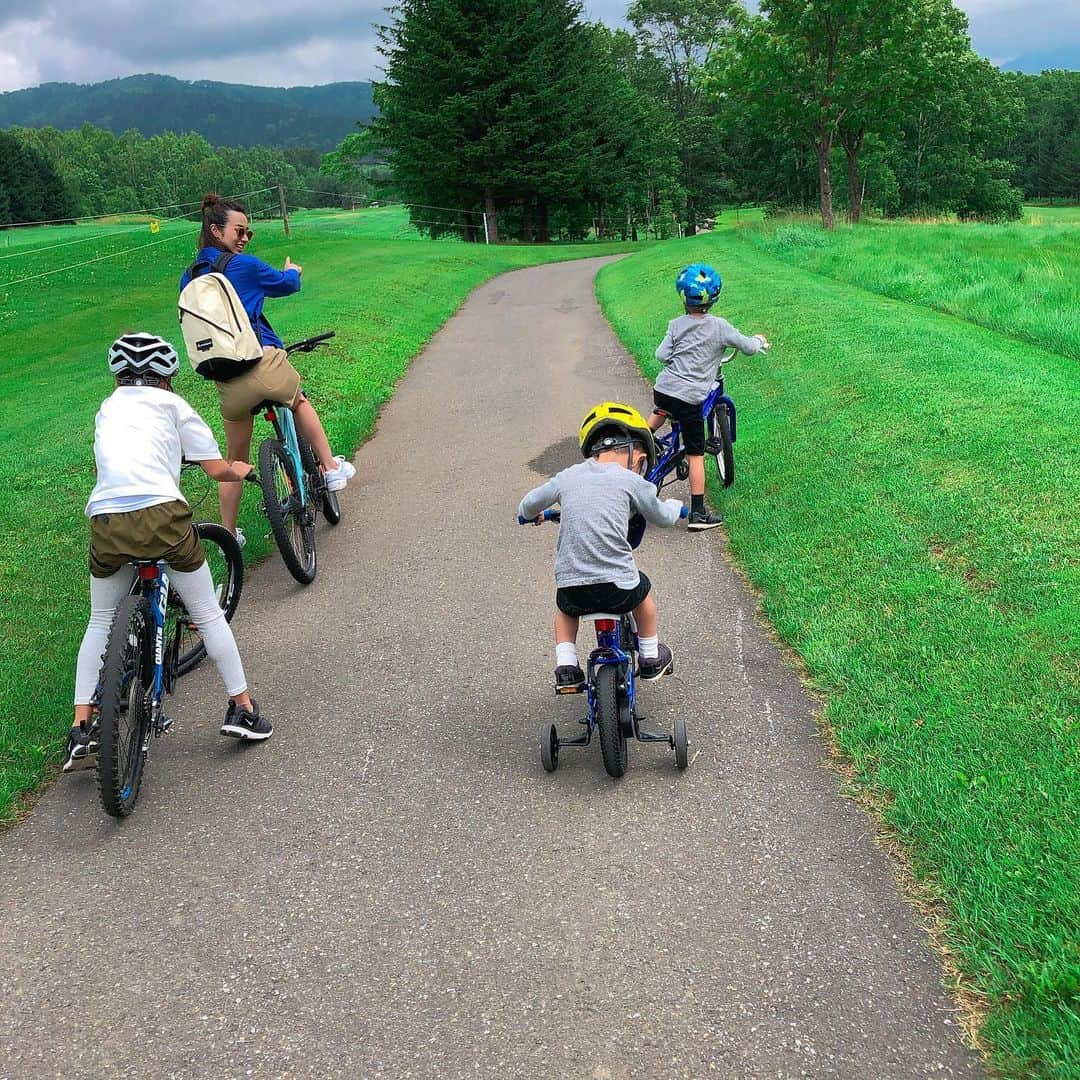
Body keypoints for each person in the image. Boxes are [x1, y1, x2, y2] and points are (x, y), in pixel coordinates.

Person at [65, 332, 272, 773]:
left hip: (106, 519)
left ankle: (81, 727)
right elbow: (217, 468)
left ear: (120, 376)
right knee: (207, 612)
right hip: (162, 516)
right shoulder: (175, 407)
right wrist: (240, 468)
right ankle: (243, 708)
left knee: (101, 619)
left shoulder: (107, 409)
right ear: (165, 379)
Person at [178, 193, 354, 544]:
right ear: (216, 230)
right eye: (239, 231)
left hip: (227, 380)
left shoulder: (189, 278)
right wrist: (293, 271)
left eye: (248, 234)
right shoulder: (244, 266)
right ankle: (331, 469)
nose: (244, 239)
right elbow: (287, 285)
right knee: (299, 401)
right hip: (262, 363)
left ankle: (229, 533)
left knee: (235, 459)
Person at [518, 402, 684, 693]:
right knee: (643, 594)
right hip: (618, 588)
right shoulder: (632, 480)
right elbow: (662, 516)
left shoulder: (567, 477)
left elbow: (528, 504)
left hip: (574, 590)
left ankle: (567, 667)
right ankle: (649, 656)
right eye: (642, 462)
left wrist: (532, 515)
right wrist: (676, 506)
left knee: (565, 609)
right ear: (635, 454)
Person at [648, 263, 770, 531]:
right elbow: (748, 347)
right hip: (690, 397)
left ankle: (644, 439)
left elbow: (660, 356)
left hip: (665, 389)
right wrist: (759, 341)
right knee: (695, 454)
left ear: (682, 297)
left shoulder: (676, 325)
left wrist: (676, 358)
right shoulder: (720, 327)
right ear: (714, 297)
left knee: (661, 409)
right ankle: (698, 513)